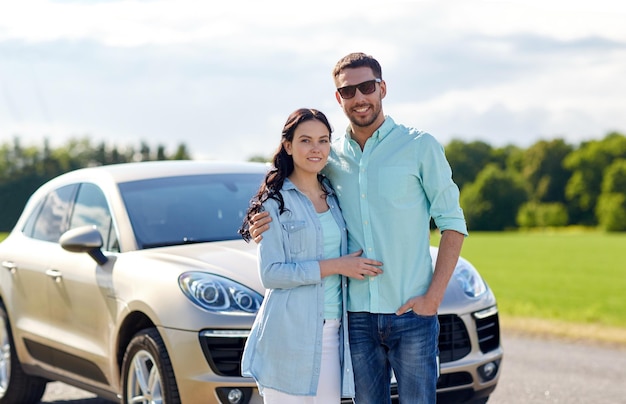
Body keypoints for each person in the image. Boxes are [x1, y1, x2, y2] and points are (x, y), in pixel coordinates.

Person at [247, 53, 468, 403]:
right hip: (357, 319)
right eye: (348, 91)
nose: (359, 97)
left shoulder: (419, 146)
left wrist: (432, 299)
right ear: (339, 98)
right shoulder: (329, 157)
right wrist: (259, 221)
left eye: (366, 87)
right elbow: (292, 184)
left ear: (382, 88)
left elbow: (452, 224)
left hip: (412, 312)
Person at [238, 108, 383, 403]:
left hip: (333, 334)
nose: (316, 149)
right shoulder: (274, 204)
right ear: (288, 146)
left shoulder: (334, 195)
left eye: (323, 140)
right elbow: (272, 274)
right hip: (289, 334)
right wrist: (337, 266)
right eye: (306, 140)